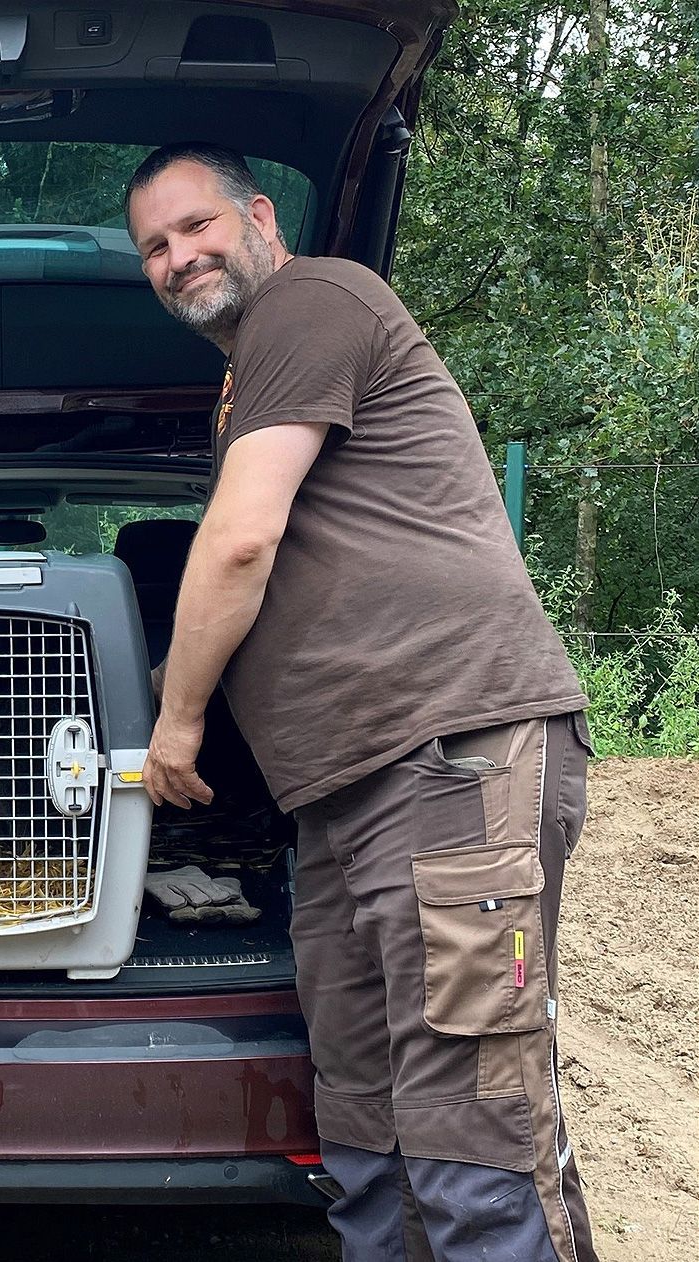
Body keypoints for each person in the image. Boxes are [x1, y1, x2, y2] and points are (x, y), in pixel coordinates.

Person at [127, 142, 597, 1262]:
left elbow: (241, 542)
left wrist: (176, 721)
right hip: (345, 788)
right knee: (365, 1113)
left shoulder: (313, 299)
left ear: (260, 215)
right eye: (153, 246)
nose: (178, 256)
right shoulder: (255, 373)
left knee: (475, 1122)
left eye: (196, 225)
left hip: (452, 752)